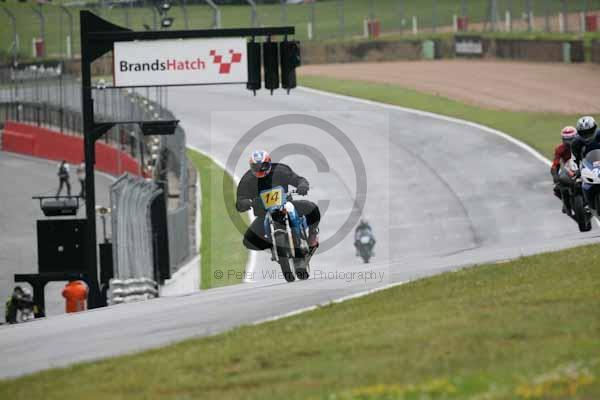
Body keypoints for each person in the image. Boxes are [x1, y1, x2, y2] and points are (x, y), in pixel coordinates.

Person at [236, 150, 321, 250]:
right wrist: (244, 203)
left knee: (312, 208)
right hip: (264, 213)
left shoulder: (281, 170)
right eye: (256, 167)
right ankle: (273, 245)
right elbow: (240, 199)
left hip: (285, 205)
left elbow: (298, 179)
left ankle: (312, 233)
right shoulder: (247, 179)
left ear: (269, 163)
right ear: (251, 167)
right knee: (249, 240)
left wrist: (302, 185)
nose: (260, 170)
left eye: (263, 166)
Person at [550, 126, 577, 207]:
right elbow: (555, 164)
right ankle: (566, 203)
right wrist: (555, 175)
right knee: (557, 189)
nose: (568, 142)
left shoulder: (581, 145)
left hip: (582, 166)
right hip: (568, 169)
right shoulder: (559, 149)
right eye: (566, 139)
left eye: (570, 139)